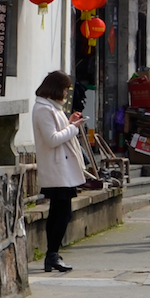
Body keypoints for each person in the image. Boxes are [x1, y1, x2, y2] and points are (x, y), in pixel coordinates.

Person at [32, 70, 85, 273]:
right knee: (61, 213)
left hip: (62, 167)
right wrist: (74, 128)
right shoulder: (43, 109)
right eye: (64, 88)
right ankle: (52, 254)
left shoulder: (51, 107)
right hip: (57, 168)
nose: (65, 93)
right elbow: (52, 138)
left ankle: (53, 255)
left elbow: (58, 131)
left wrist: (70, 122)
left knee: (60, 212)